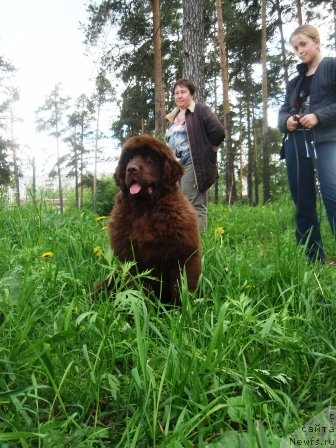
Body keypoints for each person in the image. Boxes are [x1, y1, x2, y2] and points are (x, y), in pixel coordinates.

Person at [278, 24, 336, 263]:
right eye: (295, 48)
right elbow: (282, 112)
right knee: (302, 200)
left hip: (327, 140)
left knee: (333, 194)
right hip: (296, 143)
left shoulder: (331, 66)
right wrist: (287, 122)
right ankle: (312, 260)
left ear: (316, 41)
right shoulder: (295, 82)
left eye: (303, 44)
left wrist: (319, 116)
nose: (300, 51)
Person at [165, 79, 225, 231]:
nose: (179, 96)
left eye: (183, 92)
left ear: (191, 94)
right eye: (176, 93)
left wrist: (207, 150)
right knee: (179, 205)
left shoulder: (200, 110)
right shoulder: (174, 117)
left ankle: (200, 244)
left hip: (193, 163)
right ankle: (186, 242)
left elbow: (218, 132)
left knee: (194, 204)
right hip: (175, 168)